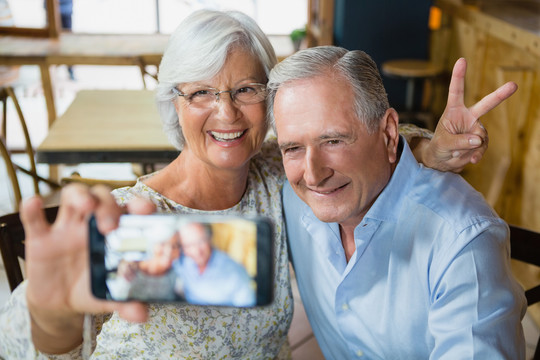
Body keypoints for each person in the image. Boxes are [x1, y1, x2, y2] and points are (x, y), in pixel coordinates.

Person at [0, 9, 513, 359]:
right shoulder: (132, 217)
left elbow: (349, 151)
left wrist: (428, 151)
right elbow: (42, 338)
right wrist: (50, 316)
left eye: (245, 88)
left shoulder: (279, 179)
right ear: (172, 104)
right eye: (200, 91)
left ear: (270, 104)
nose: (226, 112)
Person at [267, 46, 526, 359]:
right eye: (293, 148)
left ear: (388, 134)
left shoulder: (463, 242)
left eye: (333, 141)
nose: (313, 175)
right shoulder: (287, 197)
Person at [173, 222, 255, 306]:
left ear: (210, 238)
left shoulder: (235, 273)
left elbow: (247, 312)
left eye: (201, 241)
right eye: (188, 245)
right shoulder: (181, 262)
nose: (196, 251)